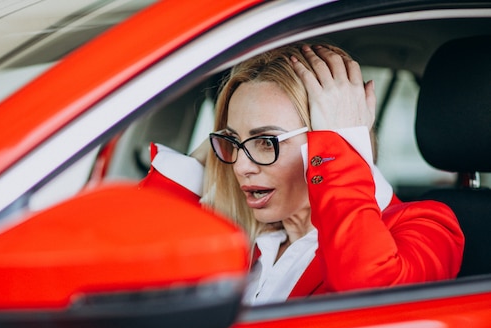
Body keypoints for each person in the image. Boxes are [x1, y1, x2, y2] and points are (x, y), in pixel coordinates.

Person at [140, 43, 464, 305]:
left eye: (266, 141)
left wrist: (346, 145)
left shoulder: (427, 226)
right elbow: (130, 271)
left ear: (326, 143)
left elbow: (369, 294)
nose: (240, 165)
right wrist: (202, 158)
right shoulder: (241, 241)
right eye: (233, 142)